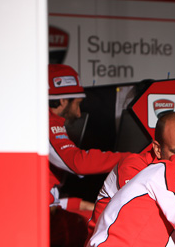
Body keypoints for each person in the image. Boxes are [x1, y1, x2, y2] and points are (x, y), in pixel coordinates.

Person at [48, 64, 129, 212]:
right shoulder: (46, 121)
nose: (79, 113)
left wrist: (83, 205)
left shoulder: (43, 120)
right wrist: (131, 158)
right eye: (77, 104)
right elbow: (78, 163)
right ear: (62, 101)